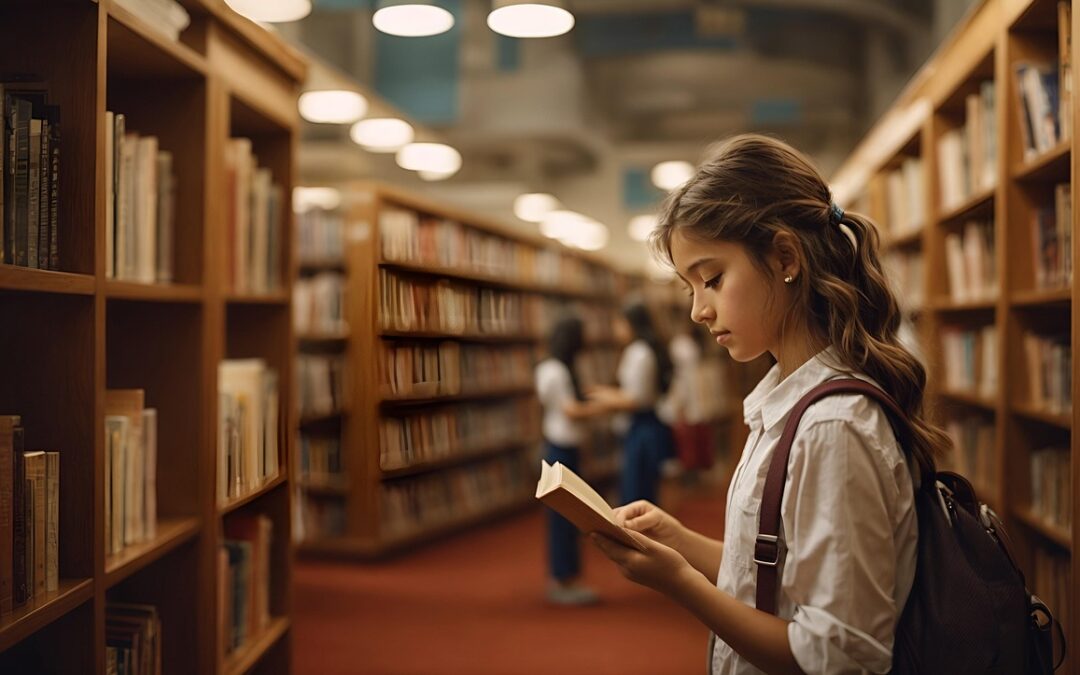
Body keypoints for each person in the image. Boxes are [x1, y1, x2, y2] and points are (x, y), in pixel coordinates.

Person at [589, 134, 950, 674]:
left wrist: (679, 583)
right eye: (690, 288)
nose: (698, 312)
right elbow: (770, 572)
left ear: (785, 257)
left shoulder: (832, 427)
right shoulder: (790, 401)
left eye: (711, 279)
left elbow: (840, 655)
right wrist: (680, 542)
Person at [535, 313, 606, 605]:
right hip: (561, 448)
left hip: (563, 446)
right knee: (564, 518)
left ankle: (568, 577)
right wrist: (603, 407)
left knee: (569, 517)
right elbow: (570, 411)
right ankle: (563, 579)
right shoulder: (556, 370)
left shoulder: (553, 367)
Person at [588, 301, 675, 506]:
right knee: (640, 486)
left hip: (641, 426)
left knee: (636, 490)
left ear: (631, 323)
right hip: (645, 424)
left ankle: (635, 537)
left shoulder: (638, 352)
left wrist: (605, 399)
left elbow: (635, 399)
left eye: (619, 322)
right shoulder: (643, 350)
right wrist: (606, 392)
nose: (616, 328)